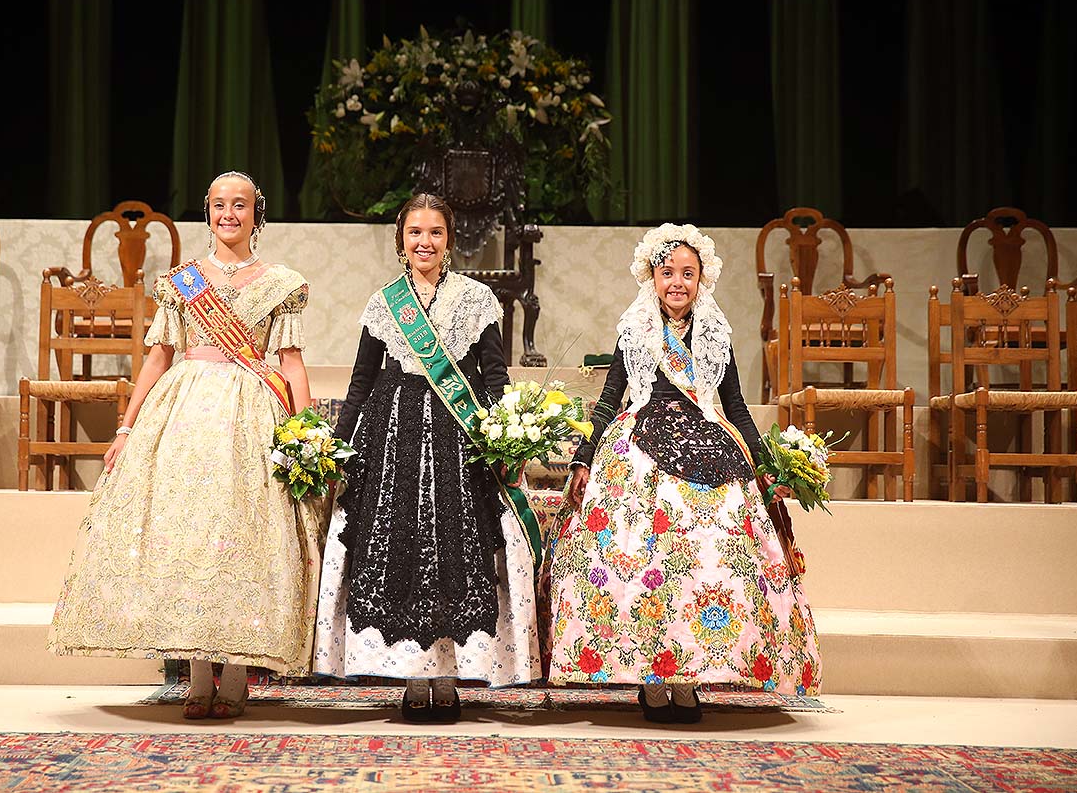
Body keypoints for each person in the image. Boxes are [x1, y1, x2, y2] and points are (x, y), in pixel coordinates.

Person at [49, 171, 322, 720]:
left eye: (239, 205)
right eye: (219, 204)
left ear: (256, 213)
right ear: (207, 212)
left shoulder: (280, 283)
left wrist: (305, 433)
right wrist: (126, 428)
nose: (229, 214)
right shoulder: (183, 283)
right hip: (185, 413)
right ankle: (198, 675)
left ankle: (239, 675)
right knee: (190, 534)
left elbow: (289, 362)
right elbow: (158, 357)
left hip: (253, 415)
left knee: (242, 535)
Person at [544, 223, 821, 723]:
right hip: (640, 448)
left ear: (702, 280)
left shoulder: (716, 333)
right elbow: (611, 399)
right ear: (651, 276)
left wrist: (763, 465)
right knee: (645, 565)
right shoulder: (634, 330)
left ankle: (692, 674)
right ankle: (652, 677)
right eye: (667, 272)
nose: (677, 282)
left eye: (687, 273)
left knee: (712, 560)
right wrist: (585, 457)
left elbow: (734, 405)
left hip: (709, 440)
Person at [312, 193, 541, 722]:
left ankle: (450, 677)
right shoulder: (383, 301)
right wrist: (339, 445)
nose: (425, 242)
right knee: (402, 552)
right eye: (415, 233)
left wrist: (506, 437)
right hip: (392, 437)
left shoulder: (478, 298)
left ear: (449, 240)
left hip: (457, 441)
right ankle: (413, 679)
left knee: (454, 551)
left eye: (435, 233)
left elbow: (493, 374)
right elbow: (362, 380)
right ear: (401, 241)